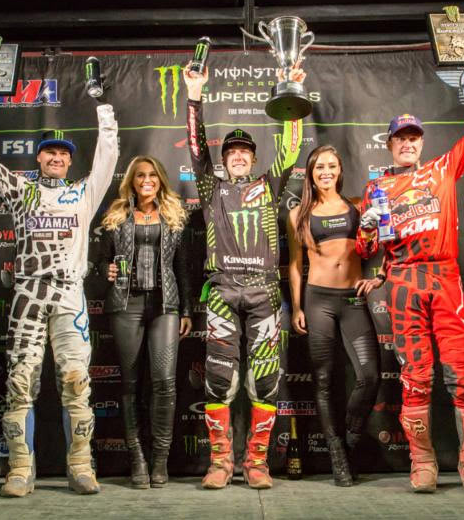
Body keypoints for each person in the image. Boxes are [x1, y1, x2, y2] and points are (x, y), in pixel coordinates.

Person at [0, 74, 119, 496]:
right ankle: (19, 469)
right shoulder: (20, 191)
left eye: (62, 154)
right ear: (39, 156)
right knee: (19, 381)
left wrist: (103, 106)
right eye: (49, 152)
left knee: (76, 381)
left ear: (69, 161)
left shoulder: (84, 193)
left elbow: (108, 157)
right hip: (28, 292)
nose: (56, 158)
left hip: (69, 292)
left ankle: (81, 465)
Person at [355, 48, 464, 493]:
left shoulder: (443, 168)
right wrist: (365, 228)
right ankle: (423, 463)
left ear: (421, 142)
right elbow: (367, 247)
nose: (408, 143)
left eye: (414, 137)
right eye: (400, 138)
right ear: (390, 144)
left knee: (462, 370)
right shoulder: (377, 188)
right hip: (402, 282)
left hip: (445, 278)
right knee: (415, 376)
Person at [183, 63, 304, 489]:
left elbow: (290, 152)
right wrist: (194, 97)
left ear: (253, 159)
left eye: (245, 152)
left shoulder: (269, 186)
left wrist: (292, 99)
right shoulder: (210, 187)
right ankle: (219, 463)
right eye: (231, 151)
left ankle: (256, 463)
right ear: (225, 159)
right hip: (220, 291)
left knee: (266, 379)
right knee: (219, 379)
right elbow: (197, 150)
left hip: (265, 293)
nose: (237, 155)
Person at [286, 145, 381, 486]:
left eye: (332, 165)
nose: (325, 171)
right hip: (318, 300)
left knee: (369, 376)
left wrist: (379, 276)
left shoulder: (358, 206)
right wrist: (297, 306)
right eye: (319, 166)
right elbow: (296, 265)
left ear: (340, 170)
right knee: (324, 382)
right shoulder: (298, 214)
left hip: (353, 299)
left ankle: (351, 438)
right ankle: (338, 456)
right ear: (310, 173)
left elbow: (378, 247)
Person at [100, 155, 193, 488]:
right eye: (140, 176)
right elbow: (101, 263)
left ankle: (159, 461)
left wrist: (186, 311)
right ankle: (137, 458)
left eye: (152, 175)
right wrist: (106, 270)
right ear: (132, 181)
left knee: (164, 382)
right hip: (126, 305)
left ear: (161, 179)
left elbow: (183, 268)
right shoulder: (116, 216)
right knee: (130, 385)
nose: (146, 180)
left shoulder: (174, 217)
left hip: (165, 305)